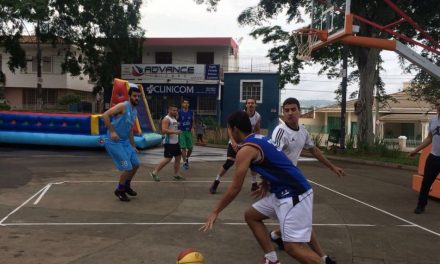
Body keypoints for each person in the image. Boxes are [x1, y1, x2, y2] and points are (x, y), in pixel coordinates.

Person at [200, 111, 324, 264]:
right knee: (251, 215)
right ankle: (271, 259)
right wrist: (266, 180)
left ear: (235, 129)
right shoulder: (260, 139)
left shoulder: (245, 150)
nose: (229, 132)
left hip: (294, 194)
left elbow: (235, 187)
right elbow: (276, 161)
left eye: (229, 129)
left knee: (292, 247)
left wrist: (215, 211)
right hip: (283, 191)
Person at [269, 97, 345, 263]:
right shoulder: (280, 132)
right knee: (298, 220)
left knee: (296, 219)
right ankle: (322, 258)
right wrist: (266, 180)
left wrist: (332, 167)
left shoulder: (303, 132)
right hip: (281, 184)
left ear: (300, 111)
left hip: (291, 182)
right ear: (283, 112)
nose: (290, 113)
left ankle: (275, 235)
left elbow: (315, 150)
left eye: (293, 109)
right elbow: (271, 157)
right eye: (286, 110)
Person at [209, 98, 261, 194]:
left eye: (252, 103)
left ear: (255, 105)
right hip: (236, 141)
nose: (250, 105)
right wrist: (233, 141)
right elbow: (229, 127)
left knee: (253, 163)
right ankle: (216, 182)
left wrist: (257, 141)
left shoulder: (257, 116)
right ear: (245, 105)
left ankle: (254, 184)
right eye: (248, 103)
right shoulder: (240, 115)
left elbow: (257, 130)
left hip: (248, 143)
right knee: (229, 162)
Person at [102, 85, 141, 202]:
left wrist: (134, 145)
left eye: (138, 96)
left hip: (125, 142)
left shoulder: (135, 111)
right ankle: (119, 190)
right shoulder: (123, 106)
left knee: (136, 164)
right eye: (134, 96)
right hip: (114, 141)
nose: (137, 98)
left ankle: (126, 186)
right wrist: (112, 131)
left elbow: (129, 129)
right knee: (128, 167)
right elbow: (105, 115)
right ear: (129, 96)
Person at [409, 98, 440, 214]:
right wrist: (416, 150)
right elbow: (429, 138)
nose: (439, 107)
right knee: (426, 182)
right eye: (437, 104)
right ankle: (421, 206)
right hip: (434, 157)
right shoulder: (433, 121)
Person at [150, 104, 185, 182]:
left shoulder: (174, 118)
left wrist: (177, 130)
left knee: (178, 157)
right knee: (168, 159)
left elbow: (173, 127)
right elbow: (163, 130)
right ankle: (154, 172)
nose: (175, 112)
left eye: (176, 110)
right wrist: (175, 132)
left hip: (175, 142)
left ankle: (176, 175)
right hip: (169, 143)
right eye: (174, 110)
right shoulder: (166, 119)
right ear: (169, 110)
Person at [178, 99, 194, 170]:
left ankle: (187, 158)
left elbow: (193, 120)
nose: (186, 104)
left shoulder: (191, 112)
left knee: (190, 148)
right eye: (184, 103)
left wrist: (193, 127)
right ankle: (184, 162)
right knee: (183, 148)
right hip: (182, 131)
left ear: (188, 104)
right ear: (182, 104)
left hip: (188, 131)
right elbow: (176, 120)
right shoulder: (179, 112)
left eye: (187, 103)